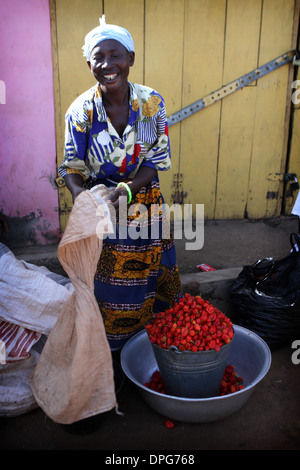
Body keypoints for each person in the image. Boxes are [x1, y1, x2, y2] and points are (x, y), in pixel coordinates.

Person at [58, 16, 182, 351]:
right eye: (99, 57)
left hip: (144, 202)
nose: (108, 64)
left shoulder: (149, 103)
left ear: (131, 59)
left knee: (154, 275)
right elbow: (71, 166)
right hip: (103, 210)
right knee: (112, 287)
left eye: (116, 55)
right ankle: (112, 356)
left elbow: (154, 163)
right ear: (89, 63)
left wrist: (125, 189)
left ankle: (157, 346)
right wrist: (82, 195)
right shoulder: (81, 112)